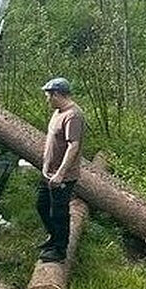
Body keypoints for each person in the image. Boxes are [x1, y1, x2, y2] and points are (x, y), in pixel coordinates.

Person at [37, 77, 85, 262]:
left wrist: (60, 174)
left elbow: (73, 146)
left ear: (57, 94)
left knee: (59, 212)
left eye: (48, 96)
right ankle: (53, 237)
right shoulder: (58, 112)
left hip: (62, 176)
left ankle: (59, 251)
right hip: (49, 172)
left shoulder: (73, 115)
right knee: (42, 206)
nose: (46, 99)